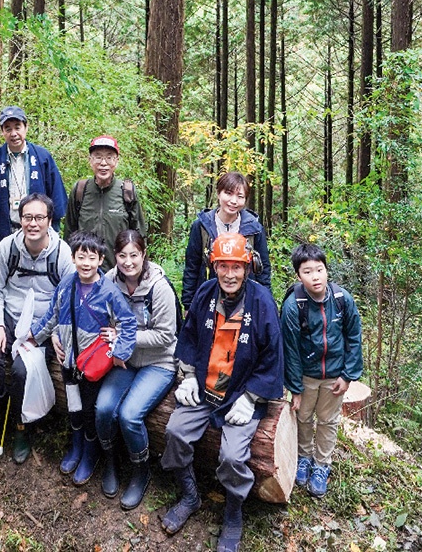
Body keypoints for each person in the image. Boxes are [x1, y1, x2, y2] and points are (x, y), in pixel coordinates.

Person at [160, 233, 284, 552]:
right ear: (213, 267)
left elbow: (272, 356)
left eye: (237, 267)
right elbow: (187, 336)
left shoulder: (262, 303)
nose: (230, 274)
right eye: (223, 266)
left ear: (248, 267)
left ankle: (232, 514)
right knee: (174, 430)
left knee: (232, 456)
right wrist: (186, 374)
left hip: (241, 395)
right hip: (205, 388)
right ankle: (189, 495)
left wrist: (251, 397)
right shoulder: (204, 294)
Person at [31, 231, 138, 487]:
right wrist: (34, 336)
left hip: (92, 368)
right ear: (73, 258)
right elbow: (52, 316)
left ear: (101, 259)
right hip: (68, 363)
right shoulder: (66, 284)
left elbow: (128, 322)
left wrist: (121, 352)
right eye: (81, 257)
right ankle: (76, 447)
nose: (86, 264)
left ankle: (91, 455)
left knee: (90, 412)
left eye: (92, 258)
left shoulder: (109, 291)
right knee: (74, 408)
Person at [0, 193, 74, 463]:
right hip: (9, 317)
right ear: (20, 219)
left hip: (42, 324)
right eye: (27, 217)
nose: (33, 223)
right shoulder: (8, 247)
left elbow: (66, 302)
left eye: (39, 217)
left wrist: (41, 334)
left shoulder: (63, 255)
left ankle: (22, 428)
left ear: (49, 221)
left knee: (22, 371)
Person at [94, 229, 178, 508]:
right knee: (104, 407)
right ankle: (110, 461)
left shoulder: (159, 288)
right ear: (114, 256)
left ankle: (140, 471)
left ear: (143, 254)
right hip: (124, 360)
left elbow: (165, 336)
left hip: (159, 362)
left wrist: (124, 338)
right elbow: (101, 319)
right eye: (122, 256)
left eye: (133, 255)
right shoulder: (108, 281)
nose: (128, 262)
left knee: (130, 415)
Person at [282, 241, 363, 499]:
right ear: (298, 275)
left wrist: (348, 375)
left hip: (334, 375)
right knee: (303, 418)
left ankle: (322, 465)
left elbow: (354, 337)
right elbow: (290, 349)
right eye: (307, 271)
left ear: (327, 270)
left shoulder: (341, 299)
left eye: (319, 270)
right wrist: (294, 388)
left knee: (328, 421)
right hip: (306, 375)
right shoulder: (294, 305)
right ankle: (304, 457)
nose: (314, 276)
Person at [0, 106, 68, 259]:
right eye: (8, 129)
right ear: (2, 131)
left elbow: (56, 195)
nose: (13, 133)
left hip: (37, 230)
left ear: (26, 127)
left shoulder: (43, 157)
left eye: (18, 127)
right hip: (5, 229)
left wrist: (53, 228)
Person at [181, 170, 271, 310]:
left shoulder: (254, 228)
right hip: (208, 296)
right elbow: (192, 267)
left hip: (245, 298)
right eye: (228, 193)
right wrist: (188, 304)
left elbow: (263, 269)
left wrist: (266, 303)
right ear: (218, 193)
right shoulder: (201, 226)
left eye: (240, 196)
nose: (233, 201)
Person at [64, 136, 147, 265]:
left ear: (116, 161)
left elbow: (139, 234)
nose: (103, 163)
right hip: (86, 269)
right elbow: (69, 232)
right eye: (98, 157)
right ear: (90, 160)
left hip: (118, 271)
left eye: (109, 157)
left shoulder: (127, 191)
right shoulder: (80, 190)